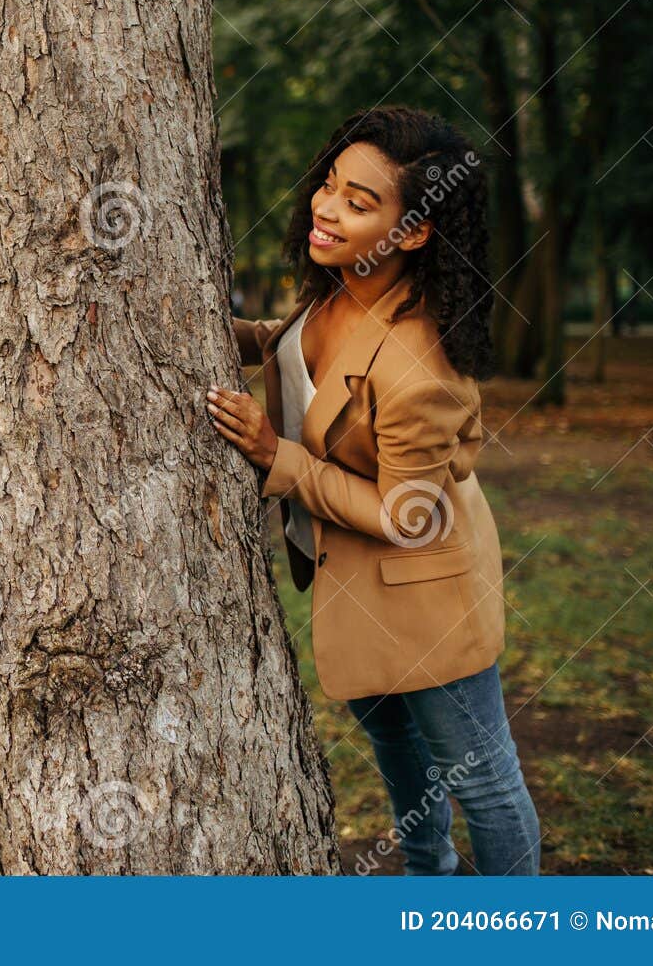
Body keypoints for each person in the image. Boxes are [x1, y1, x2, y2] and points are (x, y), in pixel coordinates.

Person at [206, 107, 541, 875]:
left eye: (360, 203)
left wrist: (274, 454)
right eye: (330, 185)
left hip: (426, 598)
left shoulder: (421, 364)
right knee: (396, 748)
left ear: (415, 230)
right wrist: (222, 331)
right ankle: (429, 882)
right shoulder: (343, 288)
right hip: (354, 593)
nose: (326, 208)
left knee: (483, 781)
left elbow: (407, 515)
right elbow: (305, 358)